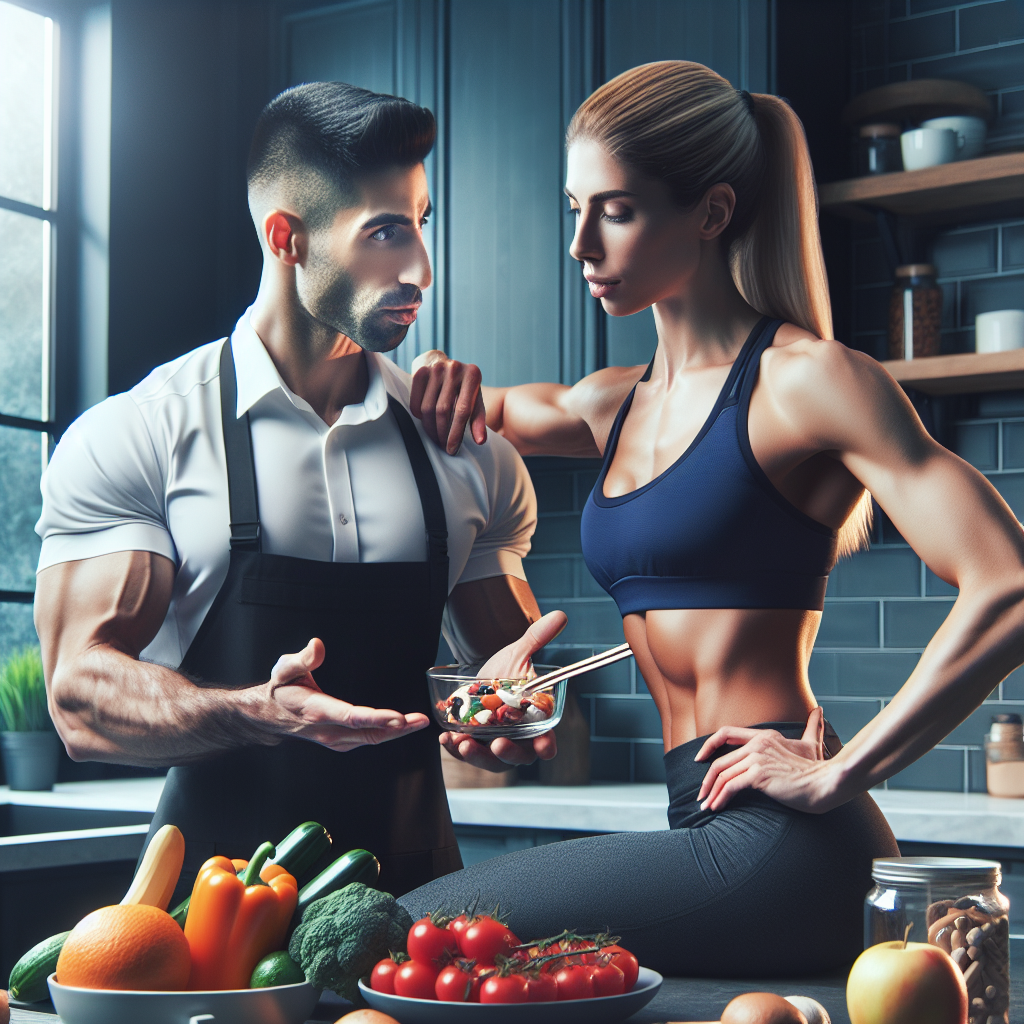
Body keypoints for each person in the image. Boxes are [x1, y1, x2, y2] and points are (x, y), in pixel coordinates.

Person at [400, 61, 1024, 976]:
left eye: (615, 210)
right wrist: (438, 373)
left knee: (405, 930)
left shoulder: (811, 381)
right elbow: (459, 408)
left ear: (713, 212)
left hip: (782, 837)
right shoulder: (608, 406)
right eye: (572, 208)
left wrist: (842, 773)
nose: (580, 244)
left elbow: (1007, 583)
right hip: (698, 815)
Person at [33, 82, 567, 901]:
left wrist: (509, 715)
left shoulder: (468, 454)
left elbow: (504, 676)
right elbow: (80, 700)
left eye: (422, 225)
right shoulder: (139, 433)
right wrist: (255, 710)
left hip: (421, 917)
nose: (421, 267)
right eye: (386, 233)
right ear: (287, 237)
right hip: (204, 919)